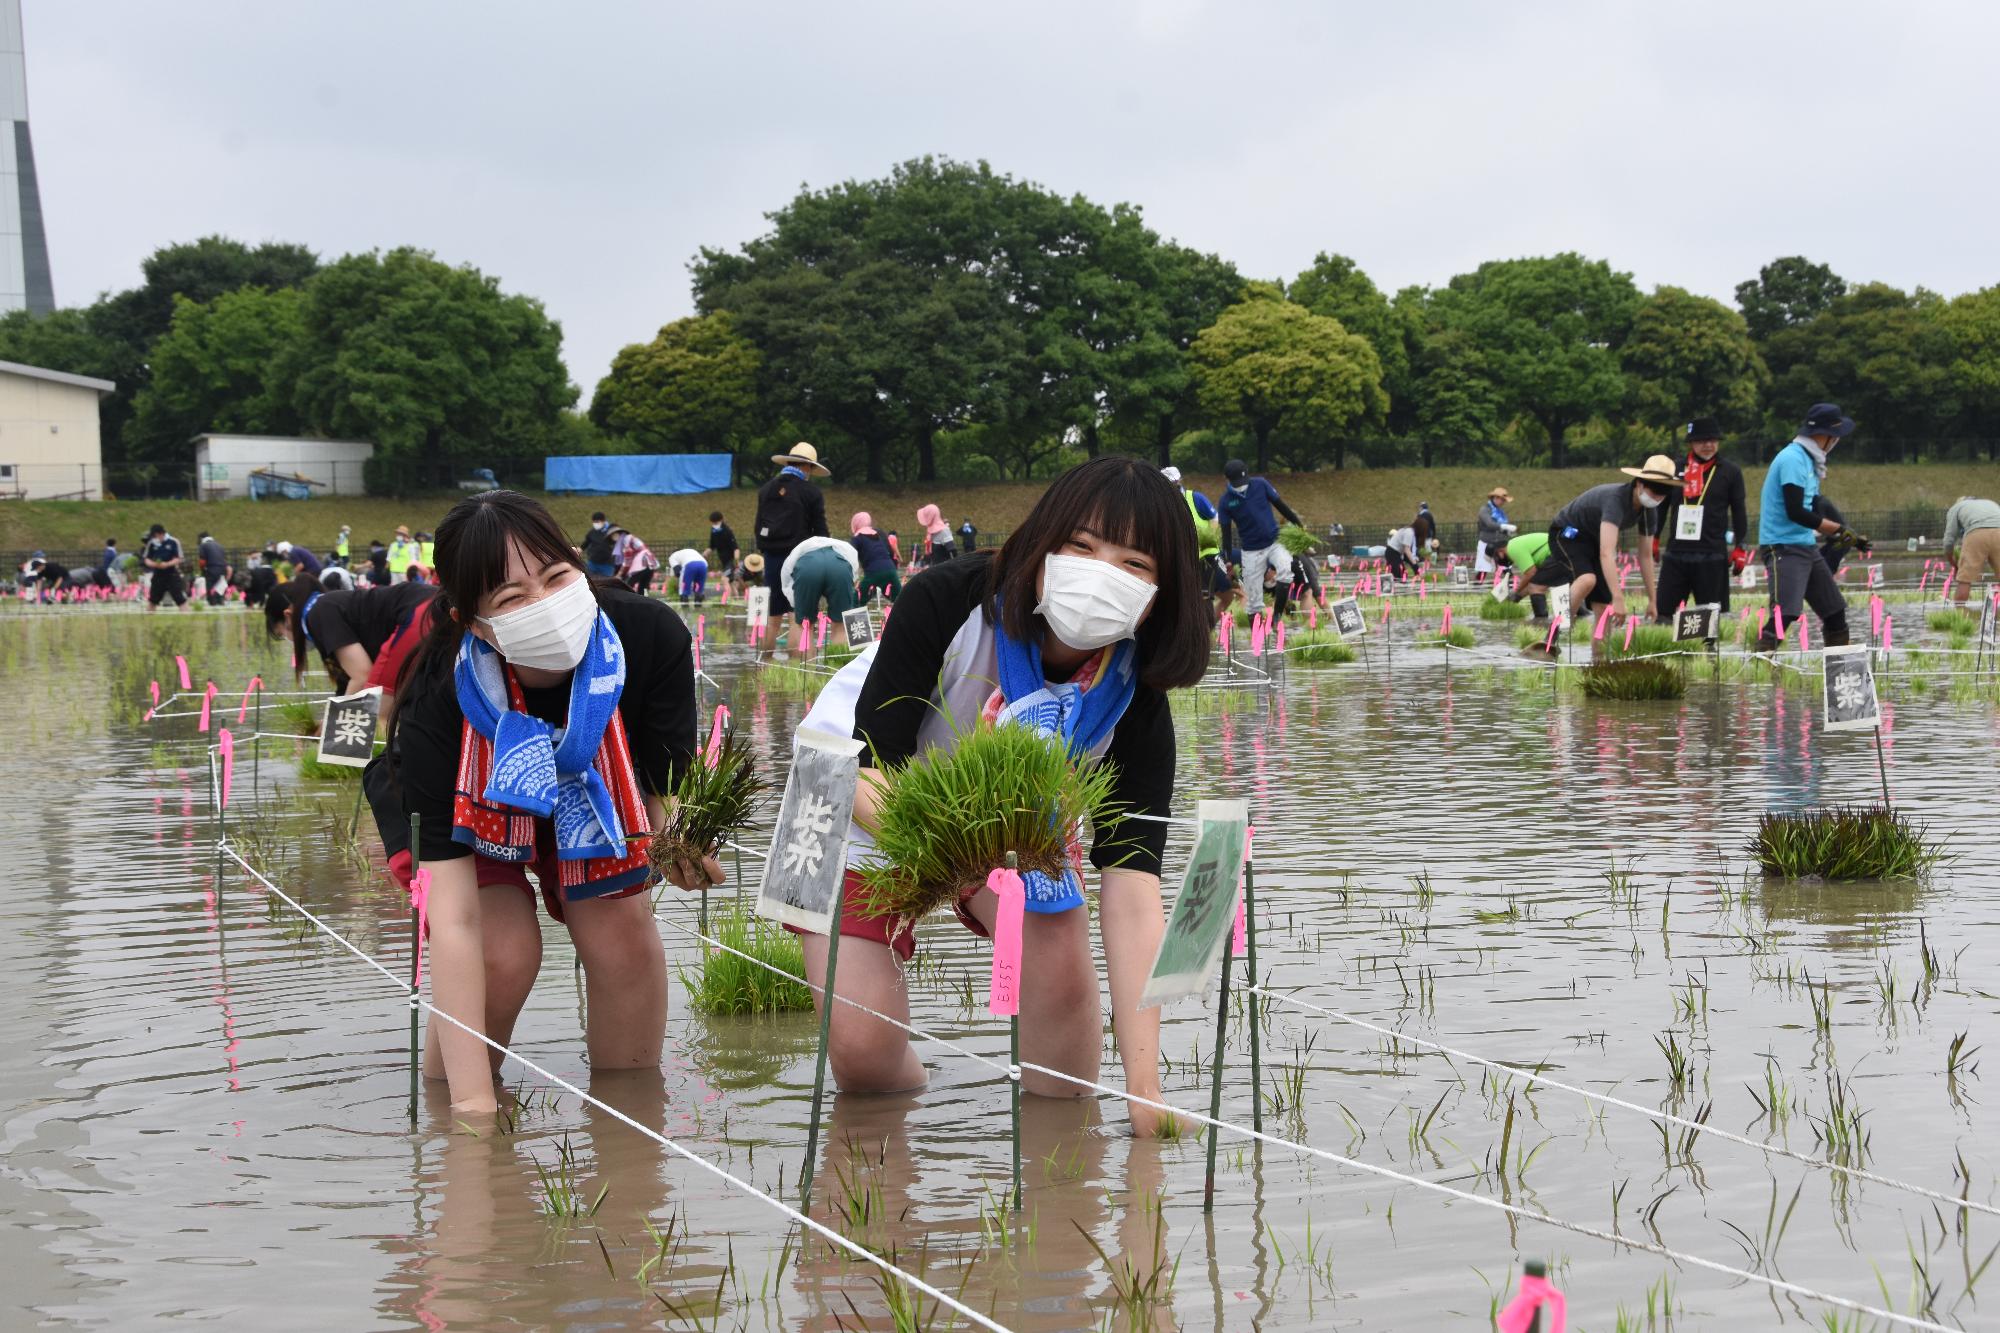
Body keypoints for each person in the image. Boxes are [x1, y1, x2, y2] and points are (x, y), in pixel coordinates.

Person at [789, 455, 1206, 1136]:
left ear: (1164, 592)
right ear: (1043, 544)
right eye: (1081, 546)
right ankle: (906, 1090)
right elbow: (870, 772)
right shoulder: (948, 600)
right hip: (856, 793)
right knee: (864, 1060)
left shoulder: (1135, 698)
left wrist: (1147, 1089)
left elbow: (1133, 891)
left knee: (1069, 1058)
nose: (1102, 573)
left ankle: (1057, 1176)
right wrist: (965, 855)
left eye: (1135, 563)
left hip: (1012, 823)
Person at [375, 490, 712, 1114]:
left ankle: (631, 1126)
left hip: (598, 788)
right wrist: (475, 1118)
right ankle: (456, 1089)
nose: (545, 604)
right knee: (502, 952)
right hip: (466, 800)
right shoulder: (438, 700)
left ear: (579, 566)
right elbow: (454, 922)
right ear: (469, 620)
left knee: (624, 937)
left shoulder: (647, 636)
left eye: (556, 576)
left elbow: (664, 787)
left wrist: (674, 846)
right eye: (510, 598)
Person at [1755, 404, 1864, 651]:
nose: (1836, 441)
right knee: (1786, 614)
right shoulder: (1792, 459)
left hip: (1805, 545)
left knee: (1835, 613)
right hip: (1782, 546)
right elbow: (1796, 512)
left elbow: (1815, 506)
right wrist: (1837, 530)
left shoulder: (1810, 461)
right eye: (1835, 436)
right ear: (1823, 435)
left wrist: (1848, 536)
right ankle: (1757, 665)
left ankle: (1839, 672)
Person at [267, 572, 440, 722]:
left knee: (378, 713)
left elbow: (361, 676)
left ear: (288, 616)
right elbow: (348, 684)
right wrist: (328, 722)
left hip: (420, 614)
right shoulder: (326, 606)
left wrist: (334, 724)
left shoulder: (318, 612)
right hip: (438, 606)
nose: (288, 639)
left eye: (282, 634)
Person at [1539, 457, 1678, 622]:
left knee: (1604, 606)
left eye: (1663, 494)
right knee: (1587, 579)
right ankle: (1554, 633)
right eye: (1654, 491)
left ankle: (1599, 649)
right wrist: (1618, 597)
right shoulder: (1616, 500)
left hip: (1594, 540)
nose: (1657, 498)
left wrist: (1653, 601)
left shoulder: (1649, 511)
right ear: (1640, 484)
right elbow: (1606, 553)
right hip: (1568, 533)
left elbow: (1646, 556)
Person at [1653, 418, 1749, 621]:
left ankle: (1705, 652)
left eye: (1713, 440)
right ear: (1691, 443)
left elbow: (1739, 511)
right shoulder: (1675, 468)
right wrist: (1654, 538)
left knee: (1710, 619)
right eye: (1701, 440)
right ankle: (1667, 652)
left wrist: (1740, 546)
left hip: (1712, 554)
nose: (1708, 445)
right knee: (1663, 615)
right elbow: (1660, 507)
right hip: (1676, 552)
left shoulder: (1730, 472)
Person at [1216, 459, 1302, 617]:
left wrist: (1299, 525)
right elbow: (1226, 534)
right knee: (1254, 600)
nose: (1241, 484)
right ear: (1227, 479)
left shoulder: (1261, 484)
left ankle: (1277, 616)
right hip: (1250, 551)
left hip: (1274, 542)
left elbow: (1282, 507)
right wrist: (1228, 560)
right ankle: (1257, 637)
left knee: (1284, 569)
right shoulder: (1225, 501)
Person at [1163, 465, 1233, 622]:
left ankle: (1206, 631)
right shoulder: (1163, 505)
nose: (1172, 487)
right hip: (1185, 560)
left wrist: (1210, 537)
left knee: (1227, 594)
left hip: (1207, 554)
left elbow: (1214, 518)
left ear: (1179, 481)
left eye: (1174, 483)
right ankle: (1203, 636)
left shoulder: (1195, 498)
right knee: (1203, 597)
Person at [779, 533, 862, 657]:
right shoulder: (843, 549)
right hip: (840, 567)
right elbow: (853, 576)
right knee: (840, 626)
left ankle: (807, 673)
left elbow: (788, 586)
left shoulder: (796, 554)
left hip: (808, 568)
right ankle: (837, 671)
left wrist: (801, 609)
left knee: (805, 627)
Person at [1942, 496, 2000, 606]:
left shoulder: (1956, 508)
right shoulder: (1990, 502)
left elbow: (1949, 541)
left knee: (1965, 580)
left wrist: (1955, 566)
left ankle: (1959, 615)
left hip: (1976, 533)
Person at [1496, 530, 1553, 619]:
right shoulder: (1513, 544)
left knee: (1535, 588)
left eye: (1495, 557)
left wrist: (1516, 591)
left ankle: (1541, 622)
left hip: (1555, 552)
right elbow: (1534, 577)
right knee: (1570, 586)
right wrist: (1518, 596)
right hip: (1558, 550)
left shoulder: (1512, 549)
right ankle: (1580, 617)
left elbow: (1530, 573)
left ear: (1500, 552)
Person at [850, 512, 901, 603]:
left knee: (857, 599)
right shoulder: (878, 534)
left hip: (873, 573)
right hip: (890, 570)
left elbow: (850, 552)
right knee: (899, 599)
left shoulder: (858, 538)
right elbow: (889, 549)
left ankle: (856, 616)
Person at [142, 523, 188, 610]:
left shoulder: (174, 541)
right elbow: (146, 559)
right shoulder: (151, 544)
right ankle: (148, 619)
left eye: (155, 535)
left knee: (180, 599)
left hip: (172, 574)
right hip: (158, 574)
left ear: (159, 533)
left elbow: (179, 558)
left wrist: (167, 564)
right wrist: (154, 564)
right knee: (153, 599)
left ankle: (187, 616)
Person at [1474, 488, 1513, 579]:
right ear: (1496, 498)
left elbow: (1501, 525)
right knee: (1483, 569)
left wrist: (1508, 531)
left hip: (1499, 543)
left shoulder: (1500, 512)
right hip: (1486, 542)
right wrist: (1504, 526)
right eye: (1502, 500)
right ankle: (1478, 587)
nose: (1503, 502)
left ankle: (1511, 585)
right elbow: (1489, 524)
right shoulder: (1484, 510)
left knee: (1506, 566)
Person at [618, 529, 661, 595]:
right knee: (643, 586)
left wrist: (620, 573)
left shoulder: (626, 540)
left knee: (628, 585)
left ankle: (627, 600)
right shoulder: (632, 538)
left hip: (641, 565)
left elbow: (627, 560)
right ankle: (644, 602)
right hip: (650, 563)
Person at [197, 531, 229, 606]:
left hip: (212, 568)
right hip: (222, 569)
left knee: (210, 588)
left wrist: (202, 570)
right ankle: (221, 602)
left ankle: (212, 603)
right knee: (220, 589)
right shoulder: (219, 545)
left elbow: (202, 561)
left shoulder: (204, 545)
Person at [581, 512, 616, 578]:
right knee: (590, 580)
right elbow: (586, 543)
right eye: (594, 522)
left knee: (606, 584)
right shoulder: (592, 532)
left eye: (597, 522)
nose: (595, 524)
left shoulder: (612, 530)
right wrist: (580, 549)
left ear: (603, 521)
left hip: (607, 565)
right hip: (593, 563)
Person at [707, 511, 738, 581]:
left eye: (716, 523)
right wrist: (705, 554)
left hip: (730, 562)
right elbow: (712, 546)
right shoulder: (714, 530)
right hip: (723, 561)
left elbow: (736, 548)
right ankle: (735, 592)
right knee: (731, 582)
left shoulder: (727, 531)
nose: (714, 524)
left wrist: (736, 561)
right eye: (713, 523)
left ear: (721, 520)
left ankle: (728, 592)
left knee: (724, 579)